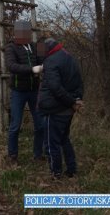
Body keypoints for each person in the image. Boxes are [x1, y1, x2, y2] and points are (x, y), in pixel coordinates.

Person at [38, 37, 84, 179]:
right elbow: (78, 82)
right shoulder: (67, 56)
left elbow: (55, 88)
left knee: (52, 143)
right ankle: (71, 169)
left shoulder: (51, 61)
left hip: (56, 109)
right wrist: (76, 100)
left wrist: (72, 102)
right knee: (64, 138)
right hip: (68, 108)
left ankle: (55, 172)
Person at [5, 20, 44, 164]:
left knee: (40, 123)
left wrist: (42, 46)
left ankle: (38, 154)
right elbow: (12, 66)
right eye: (23, 32)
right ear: (16, 33)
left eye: (27, 32)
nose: (26, 35)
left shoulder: (34, 46)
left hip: (34, 90)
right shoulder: (11, 47)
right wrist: (32, 69)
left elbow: (41, 60)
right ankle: (12, 155)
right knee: (15, 125)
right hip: (18, 91)